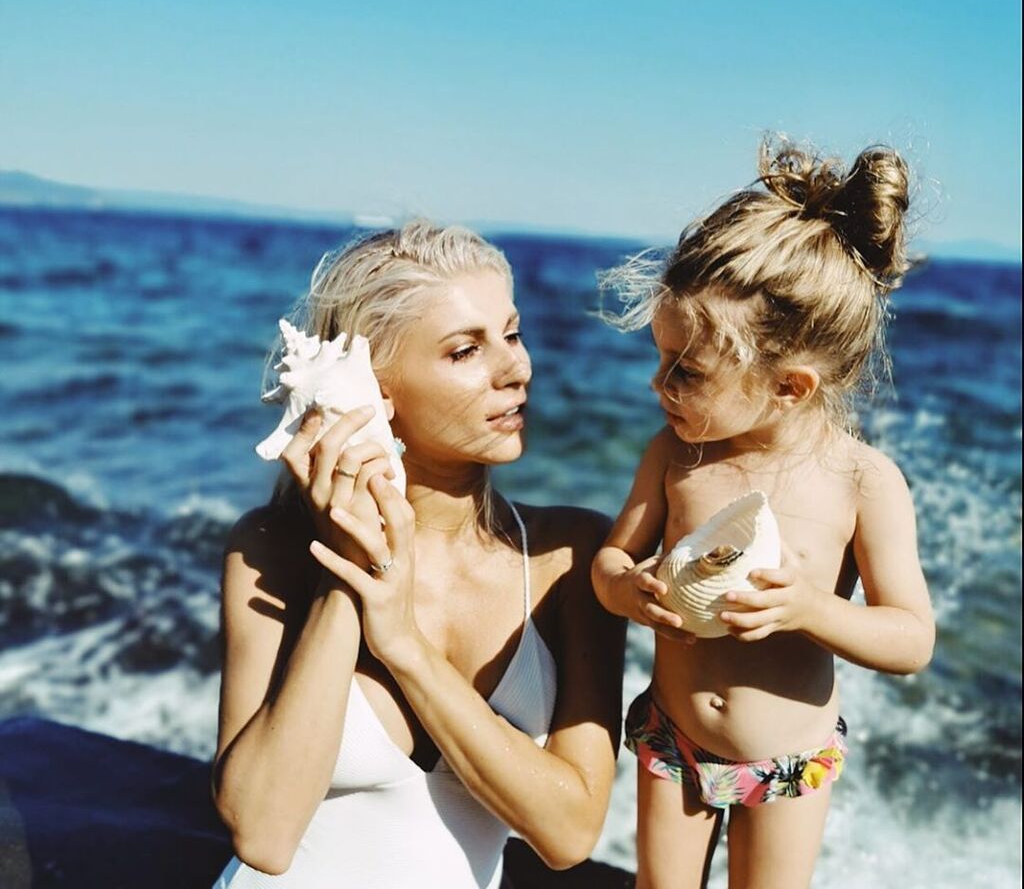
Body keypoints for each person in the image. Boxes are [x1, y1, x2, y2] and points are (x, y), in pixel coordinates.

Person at [212, 220, 625, 888]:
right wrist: (349, 566)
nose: (517, 369)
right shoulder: (271, 550)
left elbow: (569, 833)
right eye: (466, 351)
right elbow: (263, 833)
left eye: (512, 334)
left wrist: (403, 644)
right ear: (374, 391)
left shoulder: (569, 557)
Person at [591, 138, 935, 889]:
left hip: (787, 760)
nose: (659, 384)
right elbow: (611, 561)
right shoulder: (674, 455)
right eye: (660, 358)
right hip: (674, 736)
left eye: (687, 371)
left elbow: (911, 639)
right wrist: (628, 591)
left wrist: (810, 608)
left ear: (790, 387)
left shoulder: (862, 482)